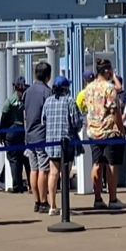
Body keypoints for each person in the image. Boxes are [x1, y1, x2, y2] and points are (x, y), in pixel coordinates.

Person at [78, 60, 126, 210]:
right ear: (106, 71)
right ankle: (113, 198)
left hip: (93, 131)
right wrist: (121, 128)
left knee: (96, 164)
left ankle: (97, 198)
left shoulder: (88, 89)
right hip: (109, 131)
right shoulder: (109, 88)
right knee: (111, 165)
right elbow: (114, 111)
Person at [22, 62, 56, 215]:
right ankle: (43, 201)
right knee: (44, 169)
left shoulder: (27, 92)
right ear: (48, 76)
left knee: (33, 169)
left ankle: (36, 200)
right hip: (42, 135)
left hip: (29, 135)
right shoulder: (47, 92)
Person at [41, 75, 76, 216]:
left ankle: (53, 206)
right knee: (65, 175)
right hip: (66, 142)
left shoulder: (48, 102)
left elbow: (43, 121)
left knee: (53, 173)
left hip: (51, 142)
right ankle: (65, 208)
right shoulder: (69, 101)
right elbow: (76, 121)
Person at [0, 78, 28, 193]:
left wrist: (1, 134)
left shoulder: (10, 101)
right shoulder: (26, 100)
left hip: (11, 131)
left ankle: (16, 184)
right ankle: (29, 184)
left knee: (13, 159)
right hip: (24, 131)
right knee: (24, 158)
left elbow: (4, 118)